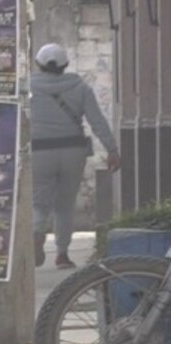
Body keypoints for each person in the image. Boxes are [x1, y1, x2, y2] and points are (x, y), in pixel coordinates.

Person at [31, 43, 121, 270]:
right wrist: (112, 149)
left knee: (39, 203)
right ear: (65, 65)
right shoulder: (80, 87)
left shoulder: (28, 87)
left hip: (39, 150)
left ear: (38, 64)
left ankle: (36, 233)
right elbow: (97, 121)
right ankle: (62, 254)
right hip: (73, 150)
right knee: (65, 204)